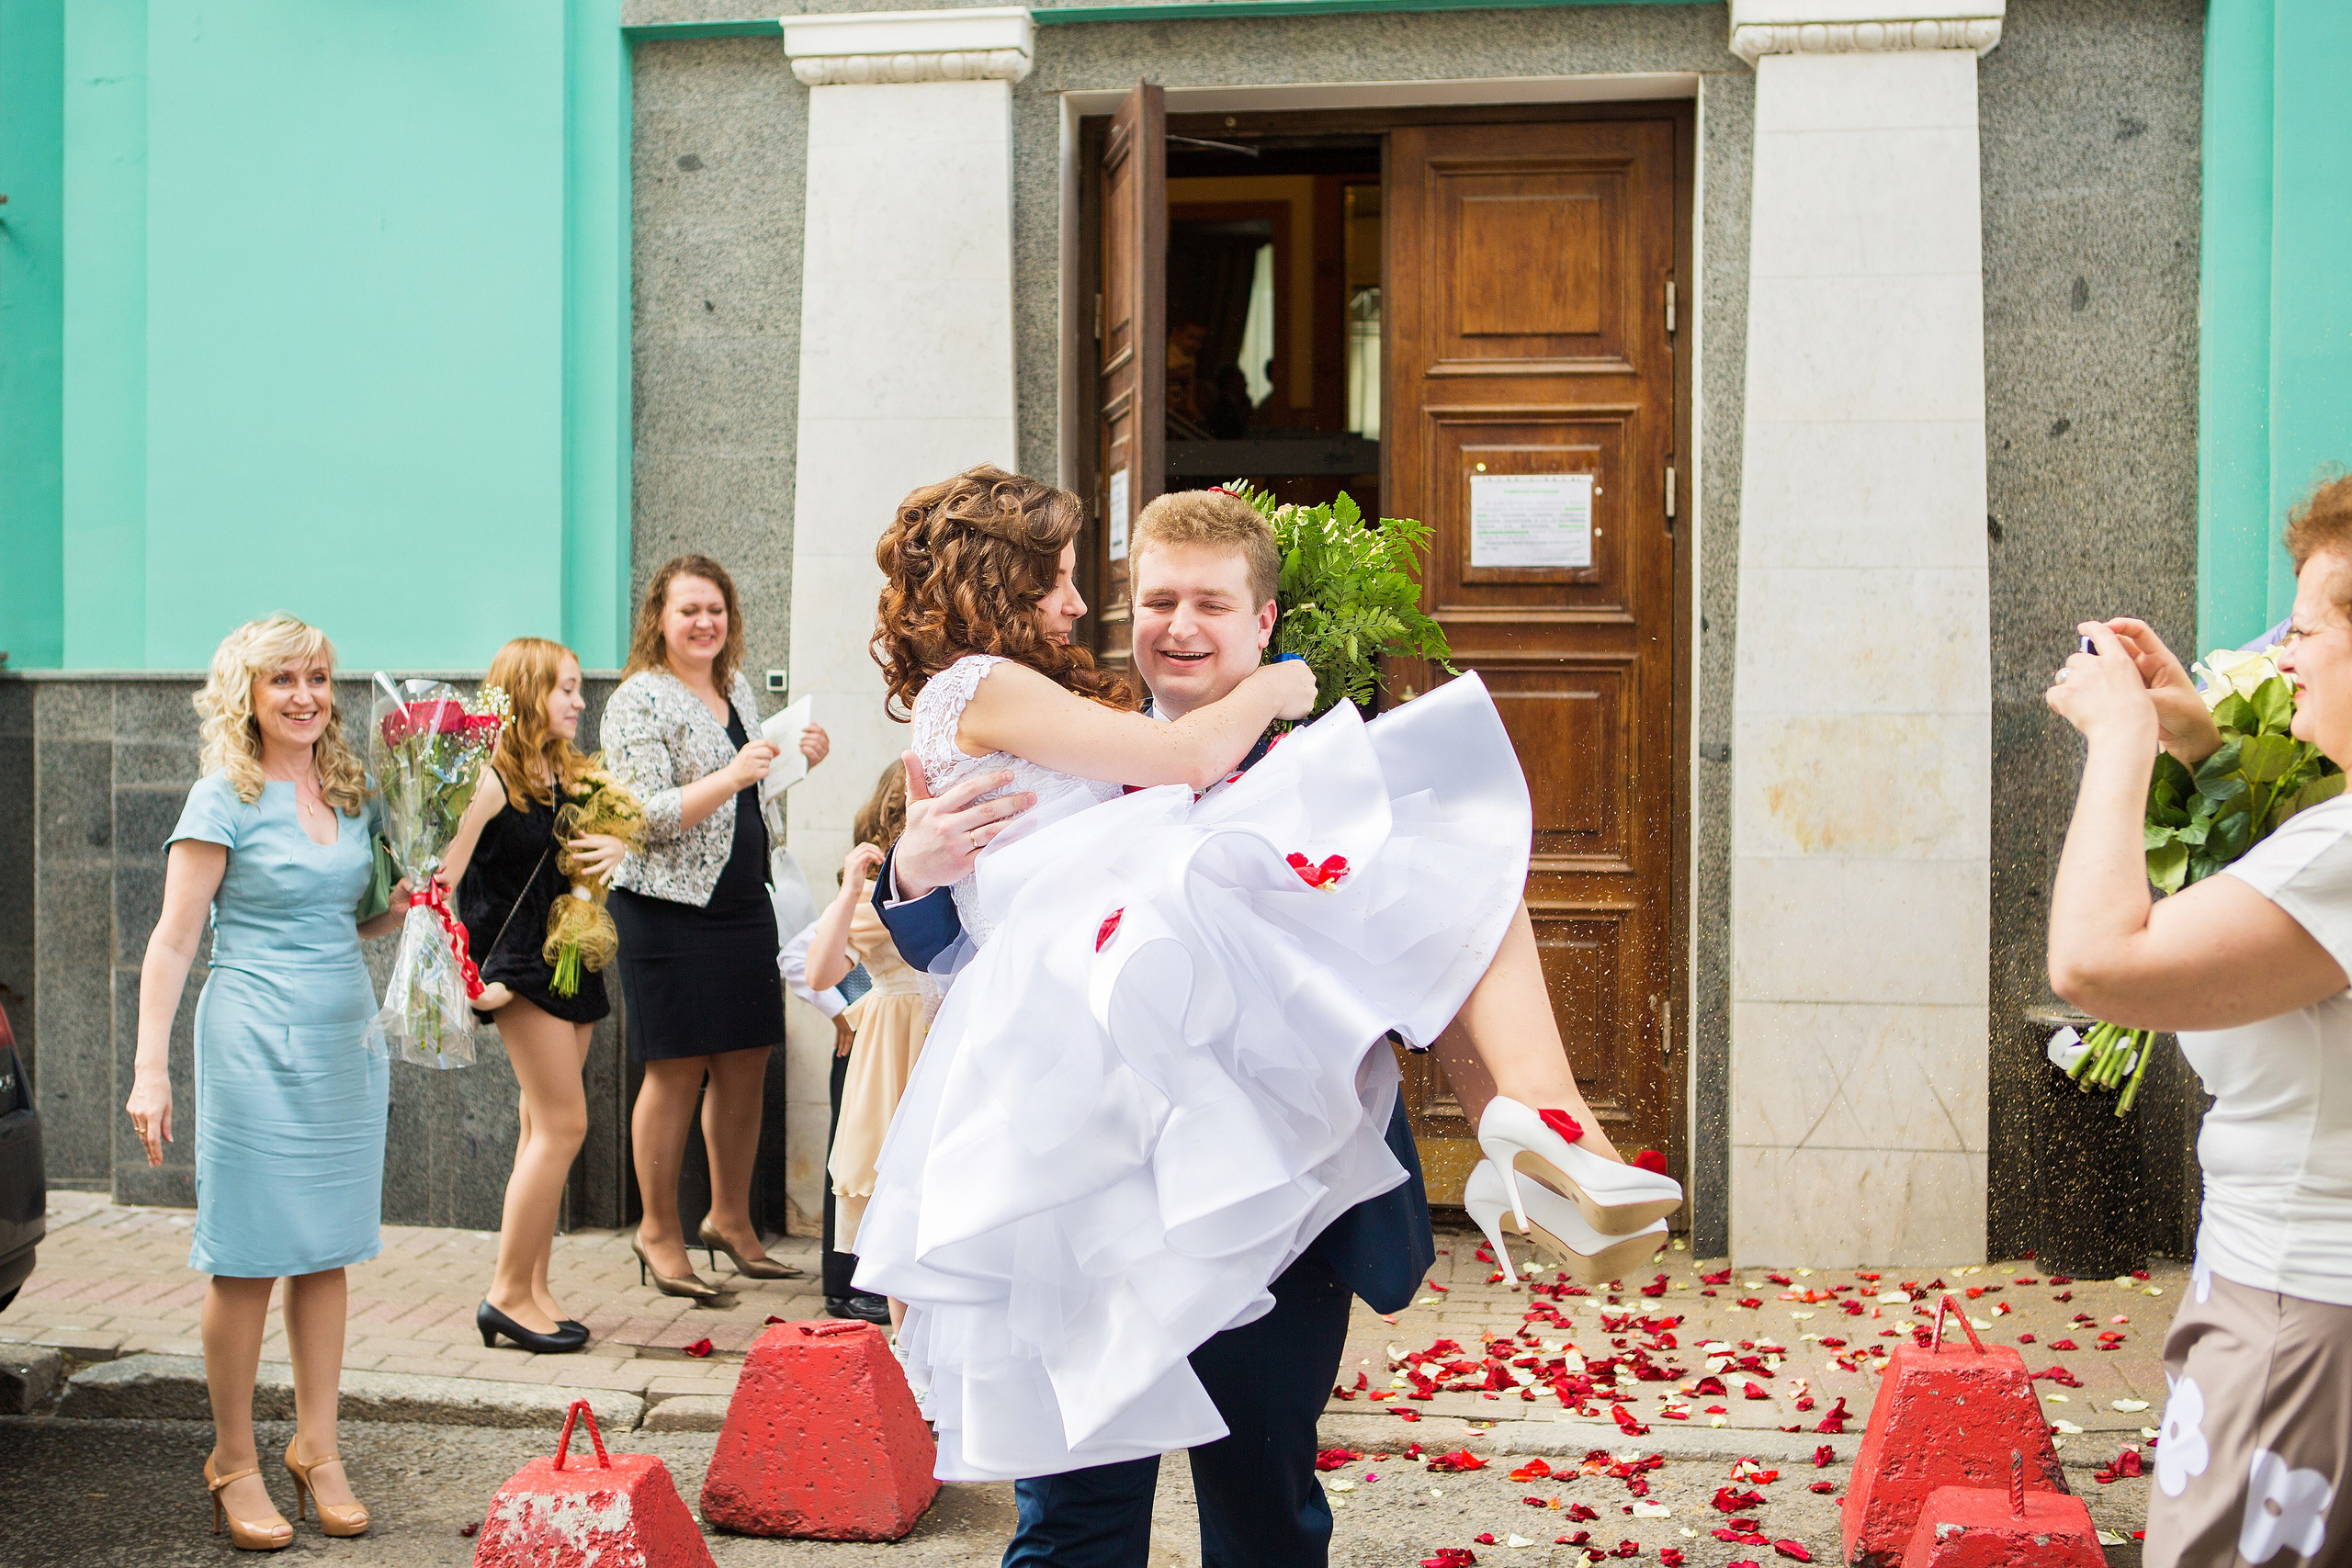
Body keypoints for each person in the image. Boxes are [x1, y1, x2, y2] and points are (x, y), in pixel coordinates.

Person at [871, 484, 1676, 1561]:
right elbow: (978, 938)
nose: (1179, 626)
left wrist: (1488, 1079)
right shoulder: (1085, 738)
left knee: (1265, 1512)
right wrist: (911, 871)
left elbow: (1434, 950)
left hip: (1277, 1202)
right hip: (1084, 1198)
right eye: (1158, 601)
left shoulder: (1328, 774)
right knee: (1073, 1524)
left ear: (1264, 623)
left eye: (1211, 603)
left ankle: (1537, 1130)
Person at [2046, 474, 2352, 1568]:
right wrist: (2200, 751)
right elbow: (2276, 936)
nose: (2283, 656)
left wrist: (2119, 742)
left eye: (2304, 630)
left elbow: (2096, 964)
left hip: (2299, 1316)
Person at [125, 615, 404, 1549]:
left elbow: (356, 919)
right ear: (245, 693)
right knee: (246, 1256)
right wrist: (150, 1070)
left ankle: (317, 1446)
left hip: (343, 1041)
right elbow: (173, 941)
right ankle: (234, 1458)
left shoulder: (355, 792)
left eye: (317, 678)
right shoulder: (222, 797)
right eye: (283, 678)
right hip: (250, 1040)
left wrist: (415, 897)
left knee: (327, 1249)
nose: (304, 696)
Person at [603, 554, 829, 1300]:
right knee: (675, 1069)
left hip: (741, 904)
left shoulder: (736, 687)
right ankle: (658, 1230)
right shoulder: (637, 700)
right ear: (659, 619)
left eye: (716, 609)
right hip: (667, 909)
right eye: (689, 610)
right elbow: (640, 815)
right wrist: (732, 775)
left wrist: (793, 762)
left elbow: (748, 796)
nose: (705, 623)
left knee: (746, 1061)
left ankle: (730, 1220)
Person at [438, 637, 632, 1353]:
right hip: (519, 969)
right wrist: (469, 978)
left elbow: (587, 852)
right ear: (528, 692)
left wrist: (615, 849)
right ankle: (506, 1294)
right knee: (562, 1125)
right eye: (566, 688)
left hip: (568, 961)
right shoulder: (491, 780)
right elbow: (439, 882)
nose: (580, 701)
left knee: (538, 1127)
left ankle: (535, 1287)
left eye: (579, 688)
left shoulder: (562, 772)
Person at [799, 762, 932, 1325]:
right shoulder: (878, 894)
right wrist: (851, 888)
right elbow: (819, 972)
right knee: (893, 1180)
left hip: (941, 1025)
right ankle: (905, 1334)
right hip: (894, 1039)